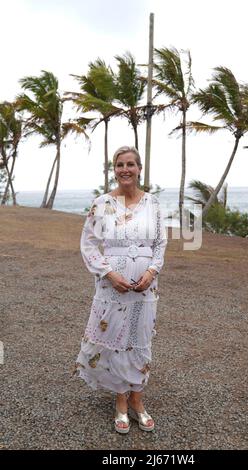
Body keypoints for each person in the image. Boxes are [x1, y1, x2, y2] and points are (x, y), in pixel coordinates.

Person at [74, 145, 167, 434]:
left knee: (139, 339)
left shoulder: (153, 204)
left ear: (139, 169)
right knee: (114, 338)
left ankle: (138, 400)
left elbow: (160, 243)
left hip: (145, 288)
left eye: (130, 164)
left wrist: (152, 271)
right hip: (111, 285)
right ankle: (120, 402)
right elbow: (88, 243)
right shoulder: (101, 204)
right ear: (114, 170)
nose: (125, 169)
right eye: (119, 165)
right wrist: (109, 273)